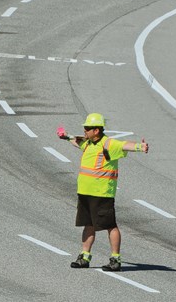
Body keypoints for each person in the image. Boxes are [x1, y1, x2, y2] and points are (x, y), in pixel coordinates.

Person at [58, 113, 149, 272]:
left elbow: (124, 145)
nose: (84, 130)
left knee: (110, 226)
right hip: (85, 192)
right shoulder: (88, 143)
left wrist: (140, 147)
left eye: (87, 128)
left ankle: (115, 259)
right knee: (88, 224)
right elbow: (76, 141)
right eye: (84, 128)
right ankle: (84, 256)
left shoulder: (108, 144)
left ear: (96, 130)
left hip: (102, 193)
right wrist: (66, 137)